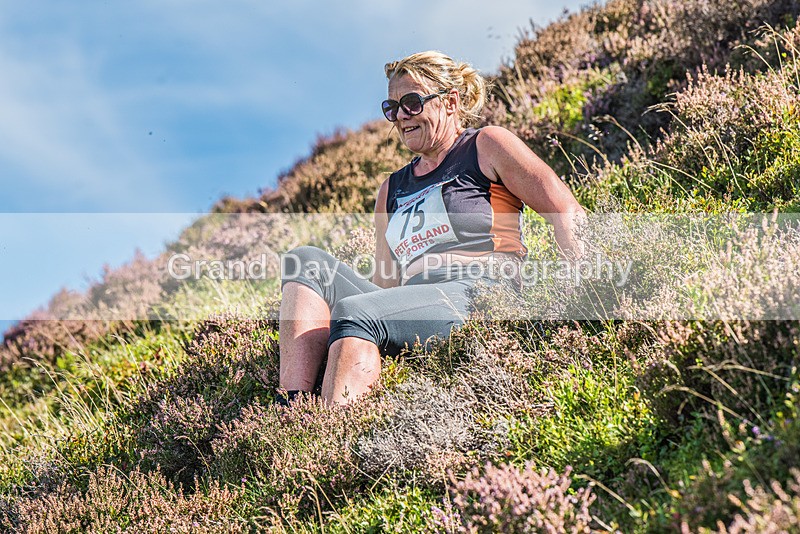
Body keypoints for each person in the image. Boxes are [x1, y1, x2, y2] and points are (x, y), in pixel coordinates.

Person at [278, 51, 585, 406]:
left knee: (354, 310)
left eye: (411, 103)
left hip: (480, 292)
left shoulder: (486, 146)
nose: (401, 117)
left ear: (450, 101)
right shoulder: (391, 189)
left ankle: (331, 436)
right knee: (304, 261)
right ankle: (293, 410)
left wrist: (576, 297)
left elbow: (564, 210)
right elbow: (384, 285)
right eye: (391, 108)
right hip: (418, 300)